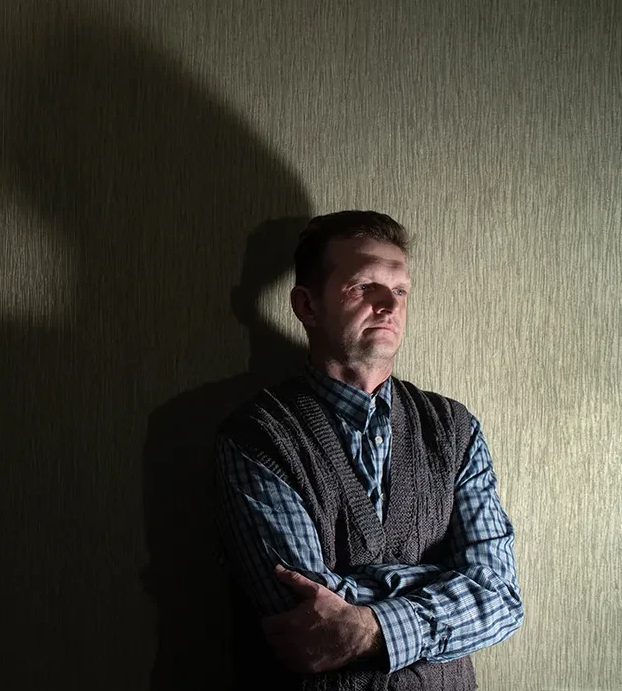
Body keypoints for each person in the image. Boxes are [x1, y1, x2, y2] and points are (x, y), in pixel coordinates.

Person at [215, 211, 523, 690]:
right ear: (307, 305)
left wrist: (370, 625)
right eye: (364, 287)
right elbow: (303, 613)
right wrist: (443, 584)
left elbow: (499, 596)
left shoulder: (454, 428)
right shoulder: (259, 434)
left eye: (400, 290)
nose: (390, 304)